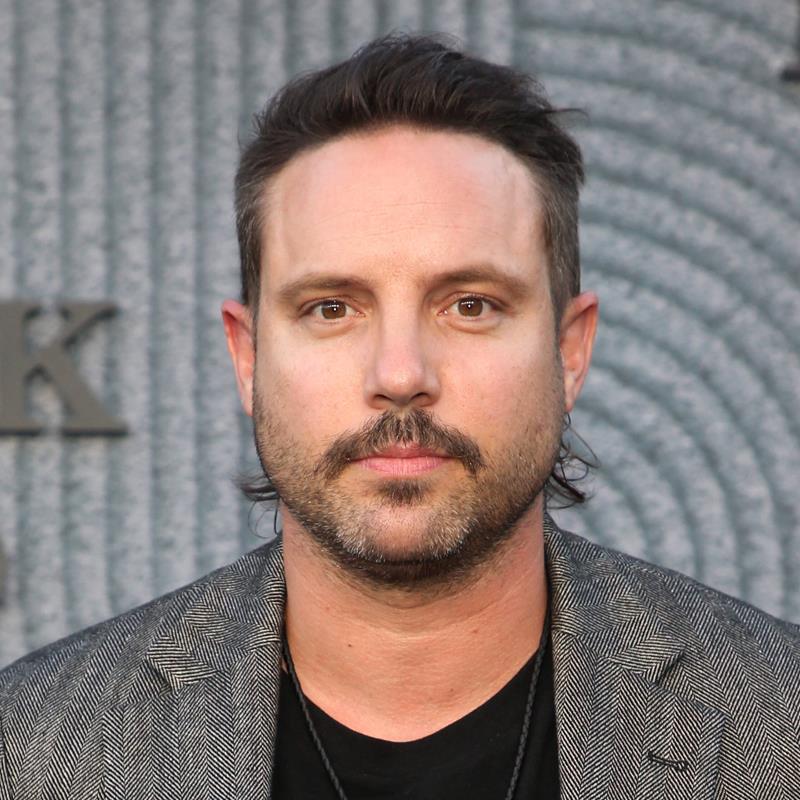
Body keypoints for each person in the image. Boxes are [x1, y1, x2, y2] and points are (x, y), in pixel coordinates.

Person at [0, 34, 797, 800]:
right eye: (332, 308)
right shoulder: (35, 752)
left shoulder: (777, 726)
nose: (401, 375)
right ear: (248, 358)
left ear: (569, 350)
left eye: (471, 304)